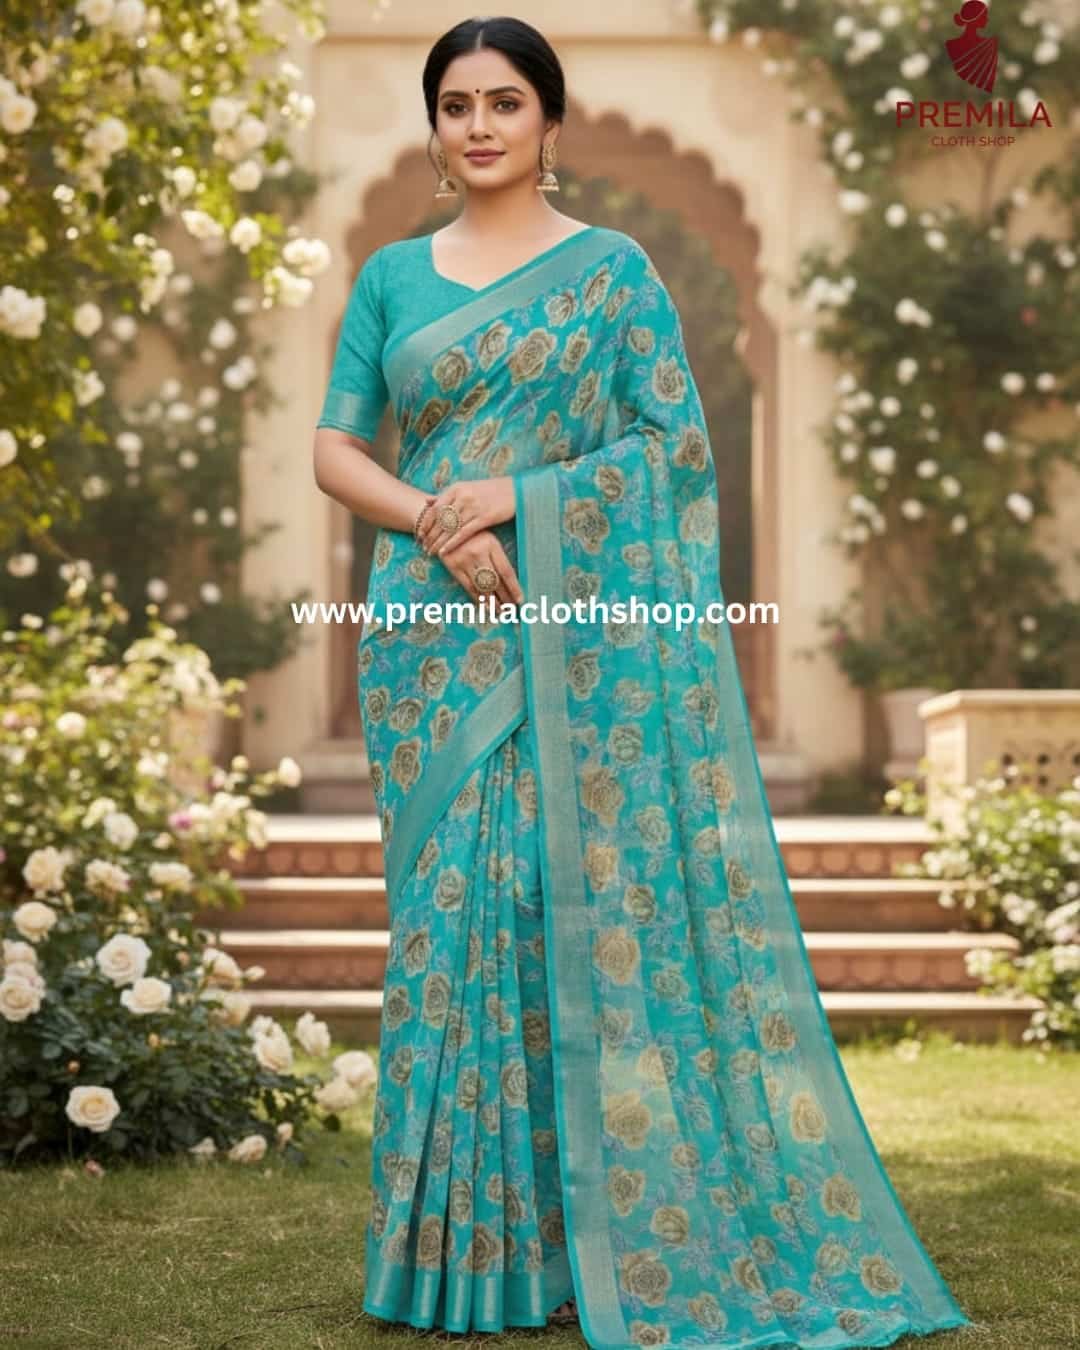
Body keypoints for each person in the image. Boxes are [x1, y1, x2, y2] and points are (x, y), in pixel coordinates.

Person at [312, 15, 973, 1348]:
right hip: (428, 641)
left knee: (537, 911)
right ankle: (453, 1253)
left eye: (506, 101)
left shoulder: (613, 276)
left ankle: (559, 1246)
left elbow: (673, 455)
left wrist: (523, 497)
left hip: (565, 633)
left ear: (551, 121)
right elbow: (338, 449)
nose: (479, 125)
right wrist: (441, 519)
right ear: (434, 127)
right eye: (456, 104)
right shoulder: (389, 279)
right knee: (448, 925)